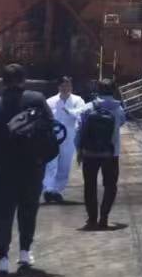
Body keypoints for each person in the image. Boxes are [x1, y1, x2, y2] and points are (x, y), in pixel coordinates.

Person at [0, 64, 50, 275]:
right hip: (32, 166)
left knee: (3, 213)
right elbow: (50, 127)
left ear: (2, 82)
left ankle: (2, 259)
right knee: (28, 209)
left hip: (5, 169)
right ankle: (25, 252)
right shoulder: (37, 99)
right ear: (24, 80)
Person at [76, 82, 128, 230]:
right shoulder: (118, 109)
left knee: (90, 185)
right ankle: (104, 217)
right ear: (113, 91)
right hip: (111, 153)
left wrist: (79, 149)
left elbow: (79, 129)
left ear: (97, 91)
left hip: (89, 153)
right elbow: (121, 123)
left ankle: (92, 219)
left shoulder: (87, 108)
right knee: (110, 185)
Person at [42, 77, 85, 203]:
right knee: (51, 163)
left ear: (71, 86)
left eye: (68, 85)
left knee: (65, 165)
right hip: (53, 137)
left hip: (70, 136)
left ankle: (57, 190)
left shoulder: (77, 100)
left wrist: (70, 112)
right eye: (63, 86)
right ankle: (48, 189)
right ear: (58, 87)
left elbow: (82, 113)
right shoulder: (50, 101)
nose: (66, 88)